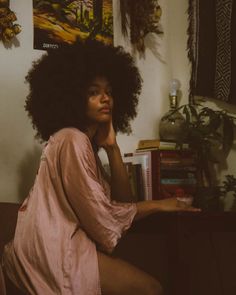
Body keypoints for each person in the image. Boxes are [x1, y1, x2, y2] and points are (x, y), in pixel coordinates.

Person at [2, 39, 200, 295]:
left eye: (109, 91)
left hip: (56, 244)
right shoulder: (72, 139)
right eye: (93, 92)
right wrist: (160, 204)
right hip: (52, 248)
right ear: (72, 97)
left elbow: (123, 201)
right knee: (152, 289)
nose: (105, 98)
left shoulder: (84, 145)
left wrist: (112, 148)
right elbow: (104, 217)